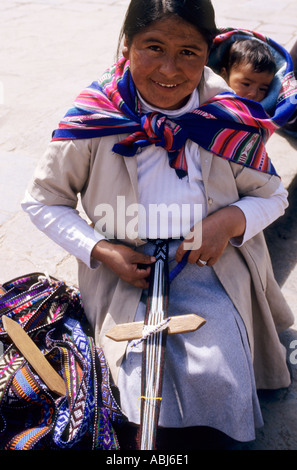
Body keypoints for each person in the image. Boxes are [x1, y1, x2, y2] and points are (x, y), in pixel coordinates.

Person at [22, 0, 294, 450]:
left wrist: (228, 221)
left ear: (208, 54)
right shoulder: (96, 115)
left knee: (216, 373)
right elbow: (43, 200)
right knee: (134, 384)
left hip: (210, 263)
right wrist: (101, 250)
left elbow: (272, 194)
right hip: (125, 267)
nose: (170, 69)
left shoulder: (227, 118)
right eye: (153, 47)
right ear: (126, 47)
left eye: (189, 52)